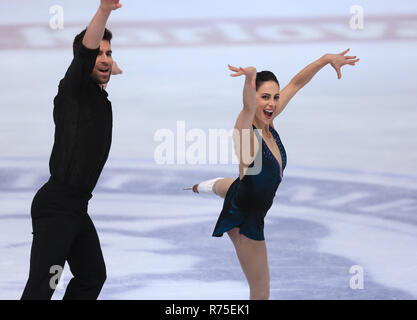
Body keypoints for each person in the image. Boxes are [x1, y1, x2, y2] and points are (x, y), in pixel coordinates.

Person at [189, 50, 359, 300]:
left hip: (244, 192)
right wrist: (249, 80)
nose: (272, 103)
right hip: (246, 220)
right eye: (264, 97)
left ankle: (210, 185)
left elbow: (297, 83)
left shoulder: (269, 122)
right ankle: (215, 188)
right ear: (254, 97)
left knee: (233, 187)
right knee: (261, 289)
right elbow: (247, 108)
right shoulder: (246, 134)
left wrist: (324, 59)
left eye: (275, 97)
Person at [21, 0, 122, 300]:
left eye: (109, 53)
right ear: (81, 59)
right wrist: (103, 11)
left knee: (92, 276)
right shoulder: (73, 89)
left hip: (76, 208)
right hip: (57, 208)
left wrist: (110, 67)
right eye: (98, 53)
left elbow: (100, 61)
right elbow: (87, 53)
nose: (104, 58)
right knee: (42, 287)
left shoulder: (94, 95)